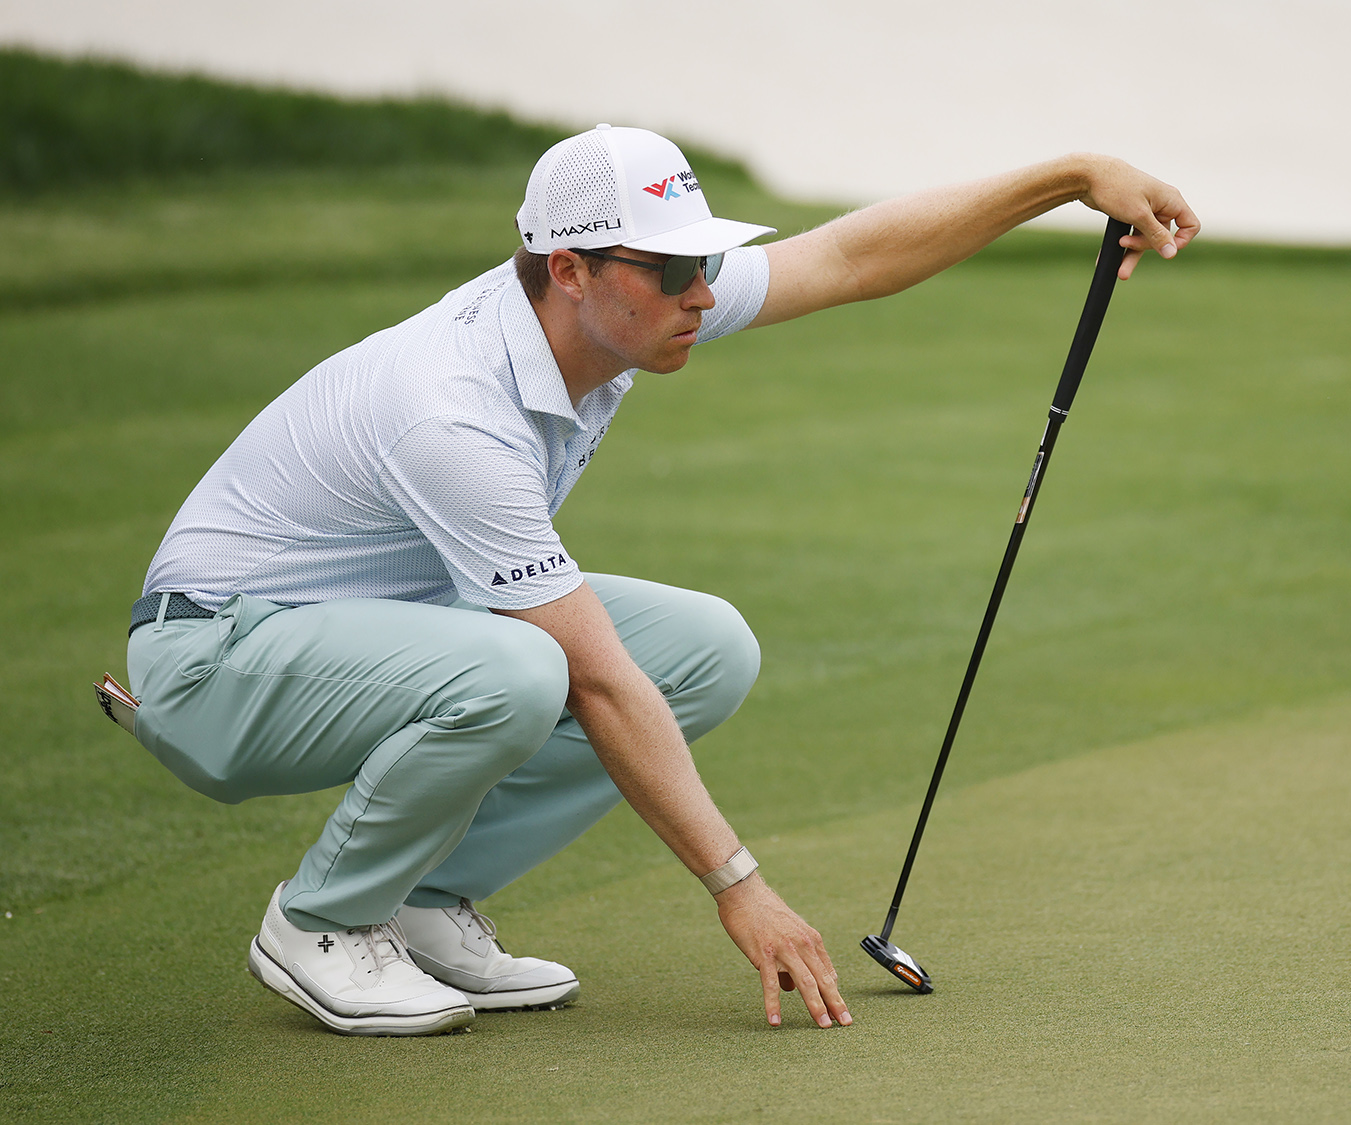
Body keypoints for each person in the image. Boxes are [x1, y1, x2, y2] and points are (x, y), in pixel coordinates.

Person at [123, 123, 1197, 1037]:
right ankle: (320, 918)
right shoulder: (452, 409)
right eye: (670, 271)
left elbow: (846, 260)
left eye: (703, 267)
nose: (698, 294)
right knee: (528, 670)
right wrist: (743, 889)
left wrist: (1063, 178)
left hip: (371, 627)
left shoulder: (617, 311)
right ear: (571, 269)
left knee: (703, 648)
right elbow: (591, 681)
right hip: (218, 662)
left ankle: (419, 897)